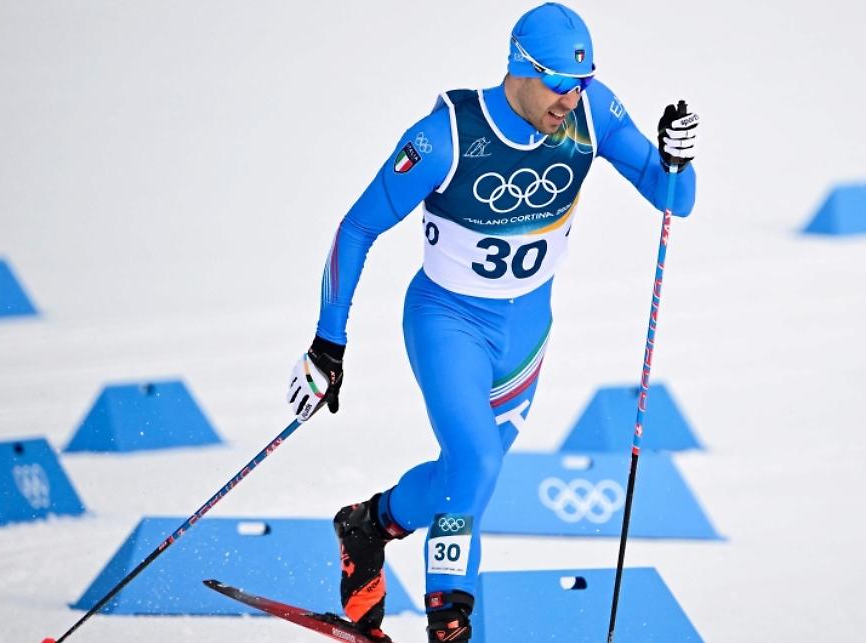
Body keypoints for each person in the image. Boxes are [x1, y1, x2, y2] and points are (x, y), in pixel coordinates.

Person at [285, 3, 698, 641]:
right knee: (476, 459)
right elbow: (357, 227)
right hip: (448, 323)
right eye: (559, 83)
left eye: (581, 82)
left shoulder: (593, 113)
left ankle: (371, 525)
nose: (570, 98)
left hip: (527, 335)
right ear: (519, 68)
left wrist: (677, 159)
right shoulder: (446, 134)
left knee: (466, 474)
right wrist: (327, 341)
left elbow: (676, 199)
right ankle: (450, 615)